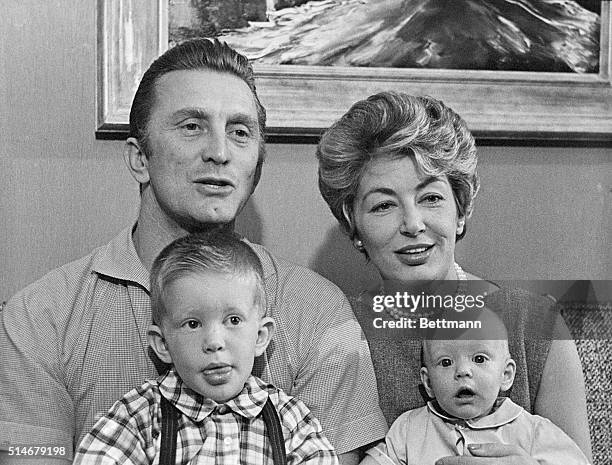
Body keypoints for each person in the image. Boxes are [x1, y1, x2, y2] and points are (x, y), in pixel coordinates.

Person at [0, 39, 386, 465]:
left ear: (256, 166)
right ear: (139, 158)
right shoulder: (41, 316)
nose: (219, 152)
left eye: (239, 133)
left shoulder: (316, 310)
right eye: (191, 126)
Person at [316, 91, 592, 464]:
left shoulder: (535, 325)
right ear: (354, 228)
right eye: (383, 205)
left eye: (430, 198)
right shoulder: (335, 333)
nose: (413, 225)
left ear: (460, 212)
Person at [74, 232, 338, 465]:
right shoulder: (140, 417)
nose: (214, 342)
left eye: (233, 320)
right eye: (192, 324)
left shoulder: (288, 419)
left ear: (260, 336)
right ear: (163, 344)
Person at [361, 308, 590, 465]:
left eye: (479, 359)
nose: (463, 371)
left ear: (506, 375)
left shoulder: (533, 431)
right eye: (446, 362)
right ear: (428, 382)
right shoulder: (410, 427)